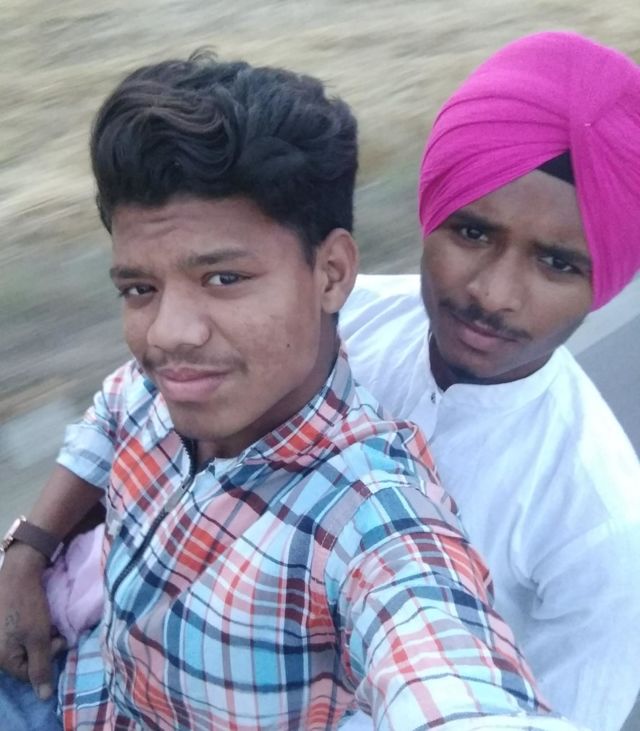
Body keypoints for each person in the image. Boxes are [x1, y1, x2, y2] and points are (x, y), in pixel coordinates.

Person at [0, 52, 580, 731]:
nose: (167, 334)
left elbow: (440, 661)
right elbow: (111, 411)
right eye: (139, 288)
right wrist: (28, 550)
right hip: (71, 681)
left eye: (223, 279)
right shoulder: (170, 382)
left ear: (331, 273)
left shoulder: (369, 516)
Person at [339, 31, 640, 731]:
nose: (493, 294)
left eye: (557, 264)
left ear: (603, 284)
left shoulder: (605, 529)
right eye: (473, 233)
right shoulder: (338, 320)